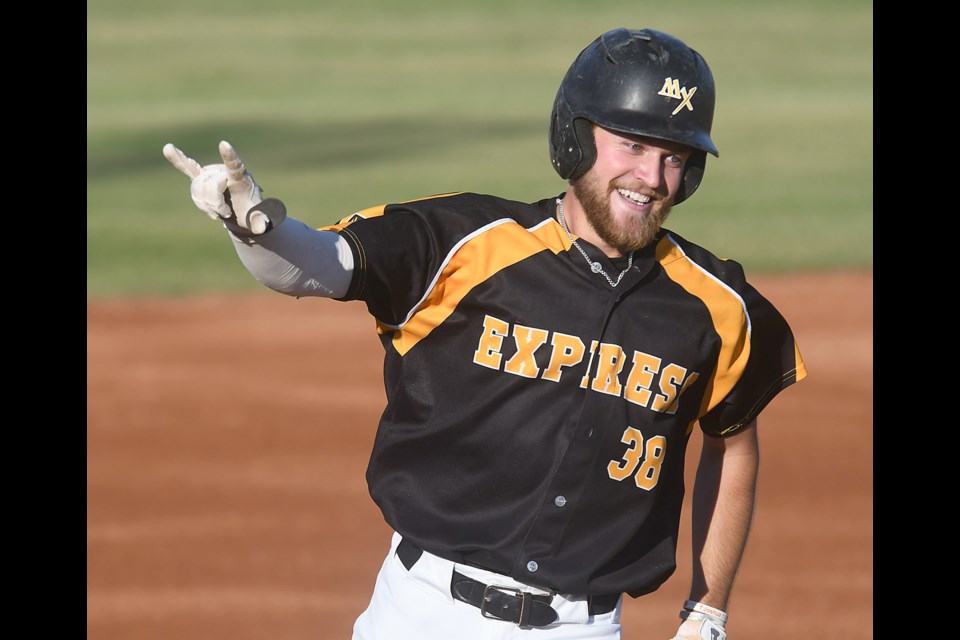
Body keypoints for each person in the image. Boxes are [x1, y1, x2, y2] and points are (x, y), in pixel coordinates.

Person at [163, 27, 807, 640]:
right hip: (420, 615)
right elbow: (319, 265)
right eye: (632, 146)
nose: (652, 177)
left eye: (676, 157)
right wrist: (255, 229)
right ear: (576, 139)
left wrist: (708, 608)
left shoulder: (716, 305)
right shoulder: (467, 245)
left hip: (584, 627)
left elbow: (733, 443)